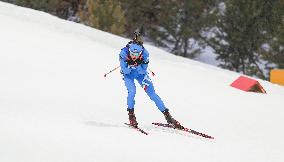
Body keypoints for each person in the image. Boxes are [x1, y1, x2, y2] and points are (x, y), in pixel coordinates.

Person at [119, 32, 183, 129]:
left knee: (152, 94)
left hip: (141, 75)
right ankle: (131, 116)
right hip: (129, 75)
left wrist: (138, 64)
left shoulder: (145, 54)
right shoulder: (123, 53)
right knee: (132, 92)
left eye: (136, 54)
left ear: (140, 52)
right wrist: (130, 65)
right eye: (132, 53)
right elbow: (125, 70)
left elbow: (142, 71)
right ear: (129, 50)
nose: (133, 56)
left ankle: (168, 117)